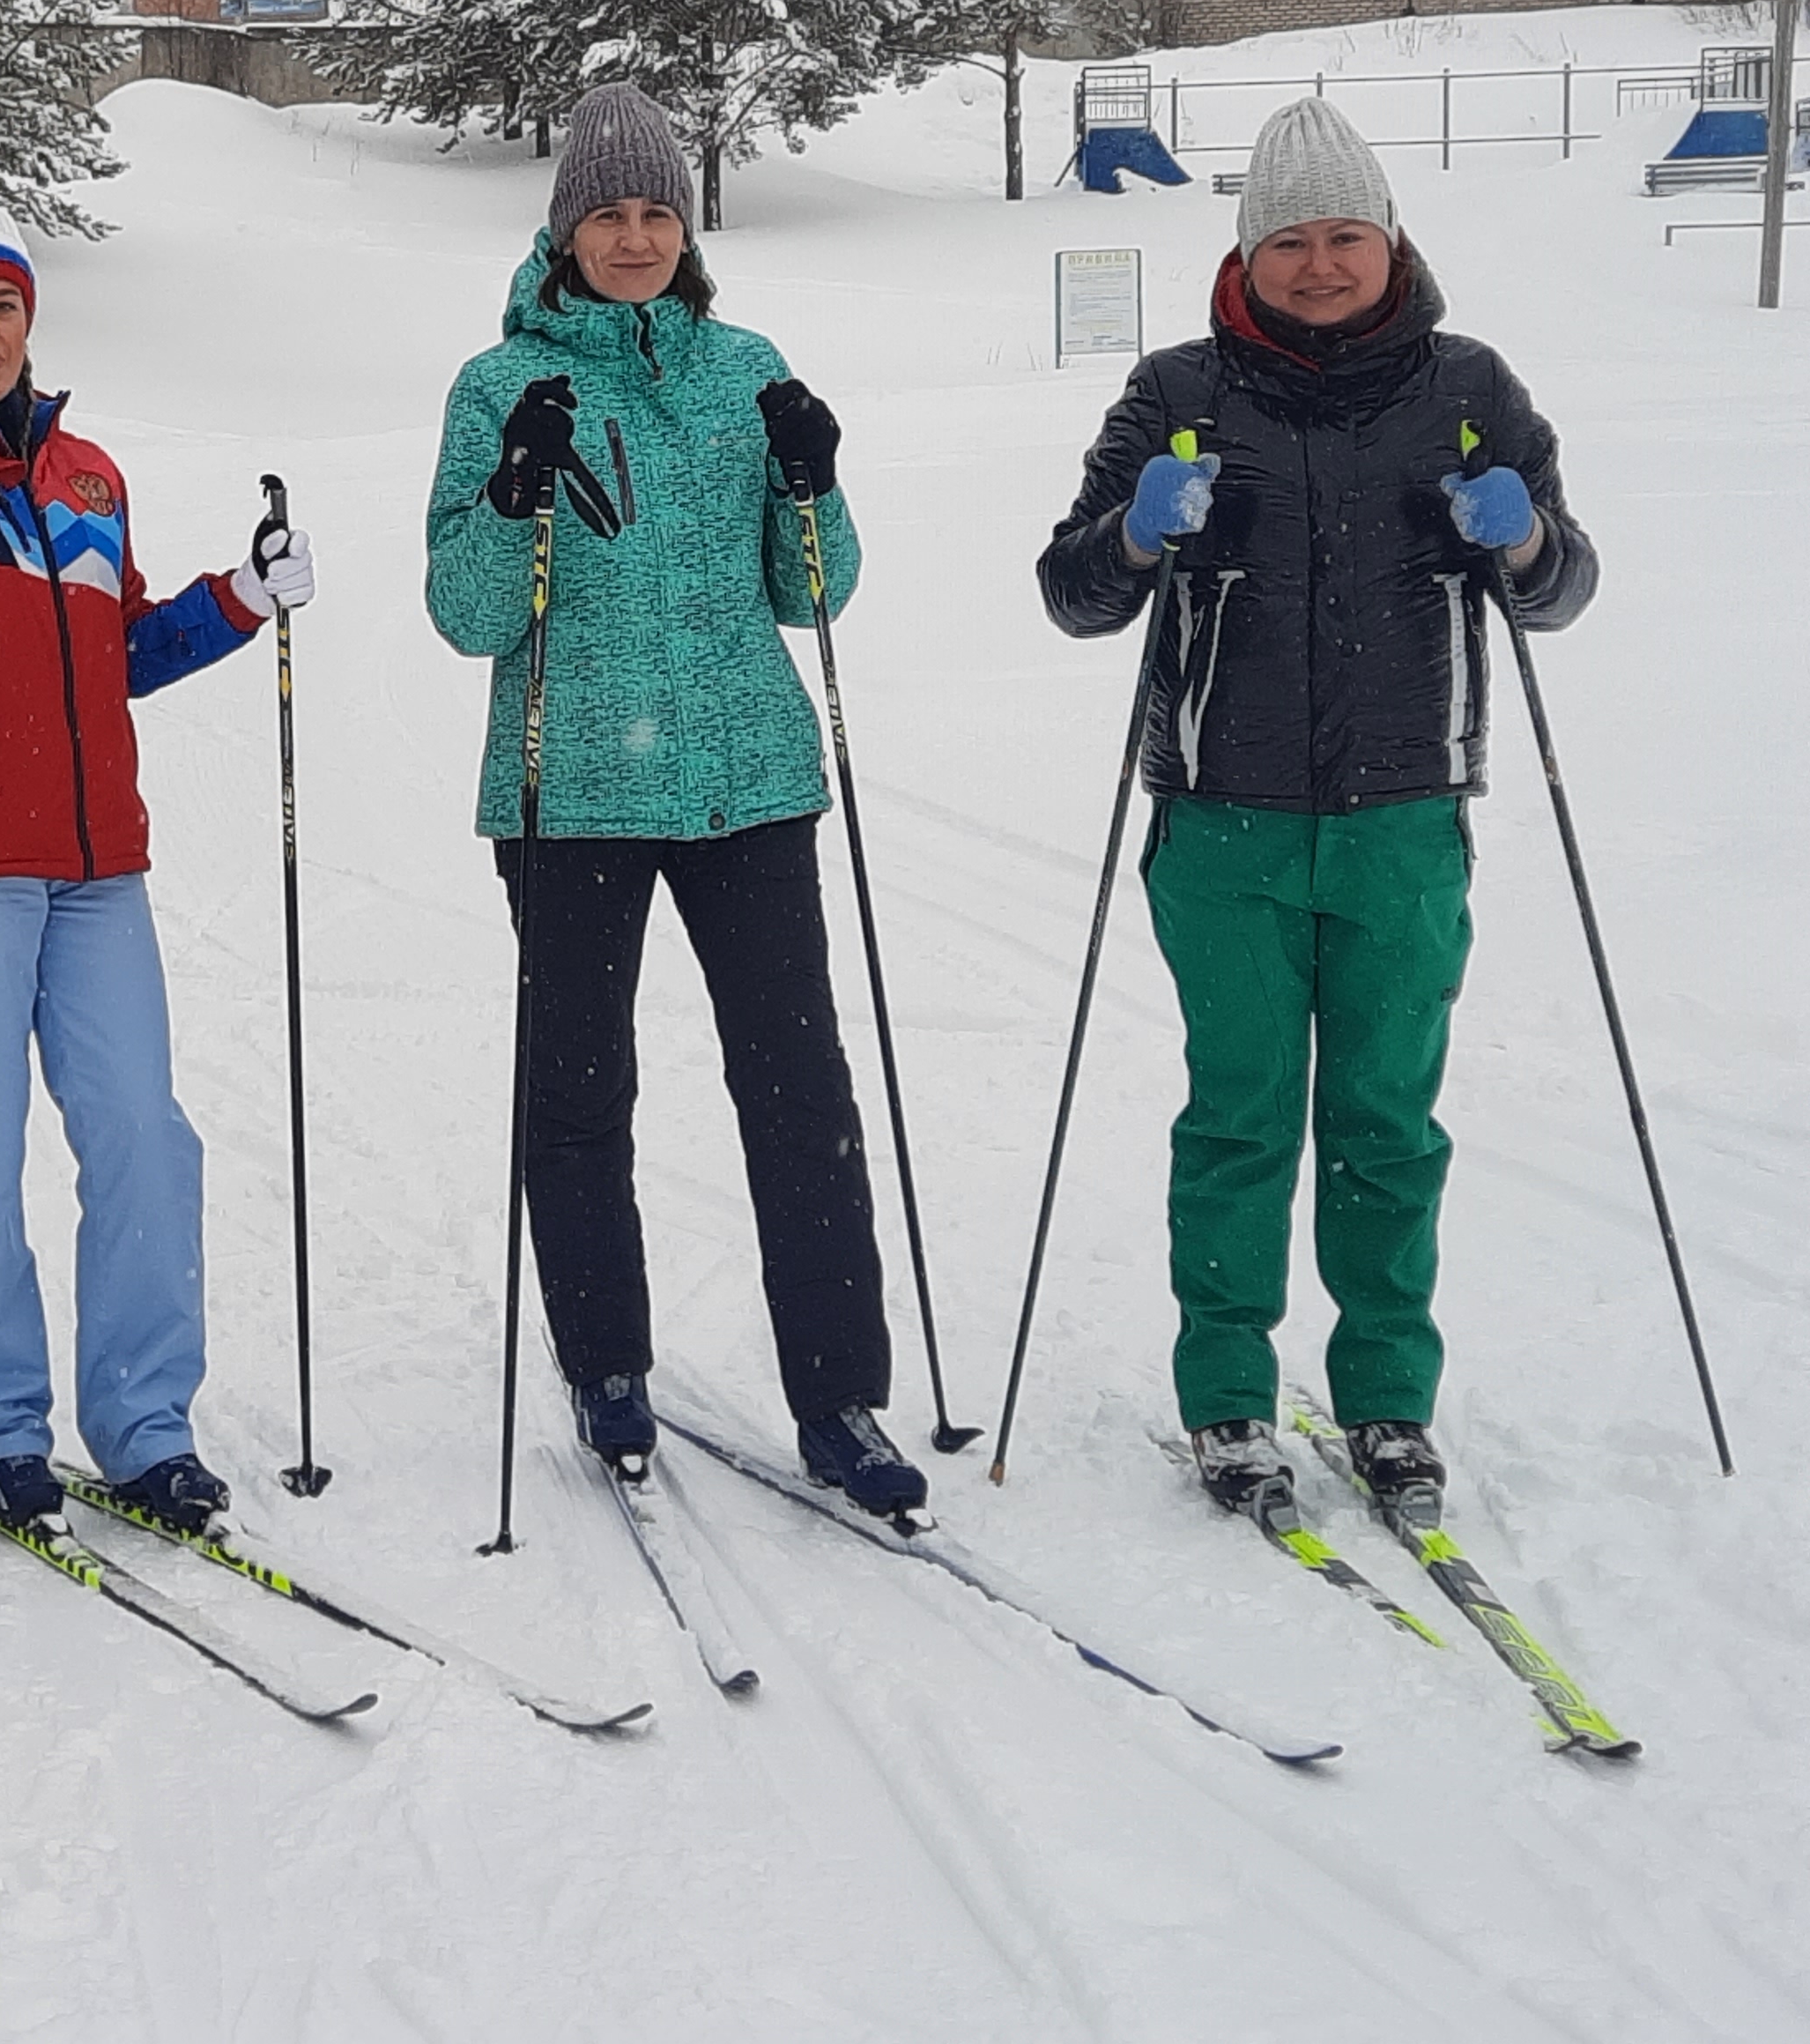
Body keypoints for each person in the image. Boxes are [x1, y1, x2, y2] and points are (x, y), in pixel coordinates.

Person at [1038, 97, 1595, 1514]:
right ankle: (1228, 1393)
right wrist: (1135, 534)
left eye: (1345, 235)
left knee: (1386, 1122)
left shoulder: (1467, 385)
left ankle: (1388, 1398)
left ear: (1390, 239)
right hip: (1222, 823)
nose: (1320, 264)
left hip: (1404, 820)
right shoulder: (1177, 390)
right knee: (1240, 1118)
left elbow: (1562, 589)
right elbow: (1073, 594)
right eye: (1289, 240)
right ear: (1247, 252)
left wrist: (1526, 533)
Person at [421, 83, 926, 1517]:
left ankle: (838, 1395)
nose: (635, 238)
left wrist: (814, 485)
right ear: (564, 230)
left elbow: (812, 594)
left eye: (657, 213)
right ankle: (606, 1365)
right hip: (572, 790)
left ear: (686, 228)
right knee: (581, 1090)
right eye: (609, 214)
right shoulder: (499, 387)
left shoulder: (745, 369)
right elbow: (466, 615)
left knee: (800, 1091)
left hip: (748, 782)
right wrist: (512, 492)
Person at [0, 179, 312, 1537]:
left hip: (94, 868)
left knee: (144, 1134)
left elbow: (116, 651)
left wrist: (238, 600)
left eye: (3, 306)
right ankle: (0, 1428)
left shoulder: (87, 477)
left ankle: (147, 1429)